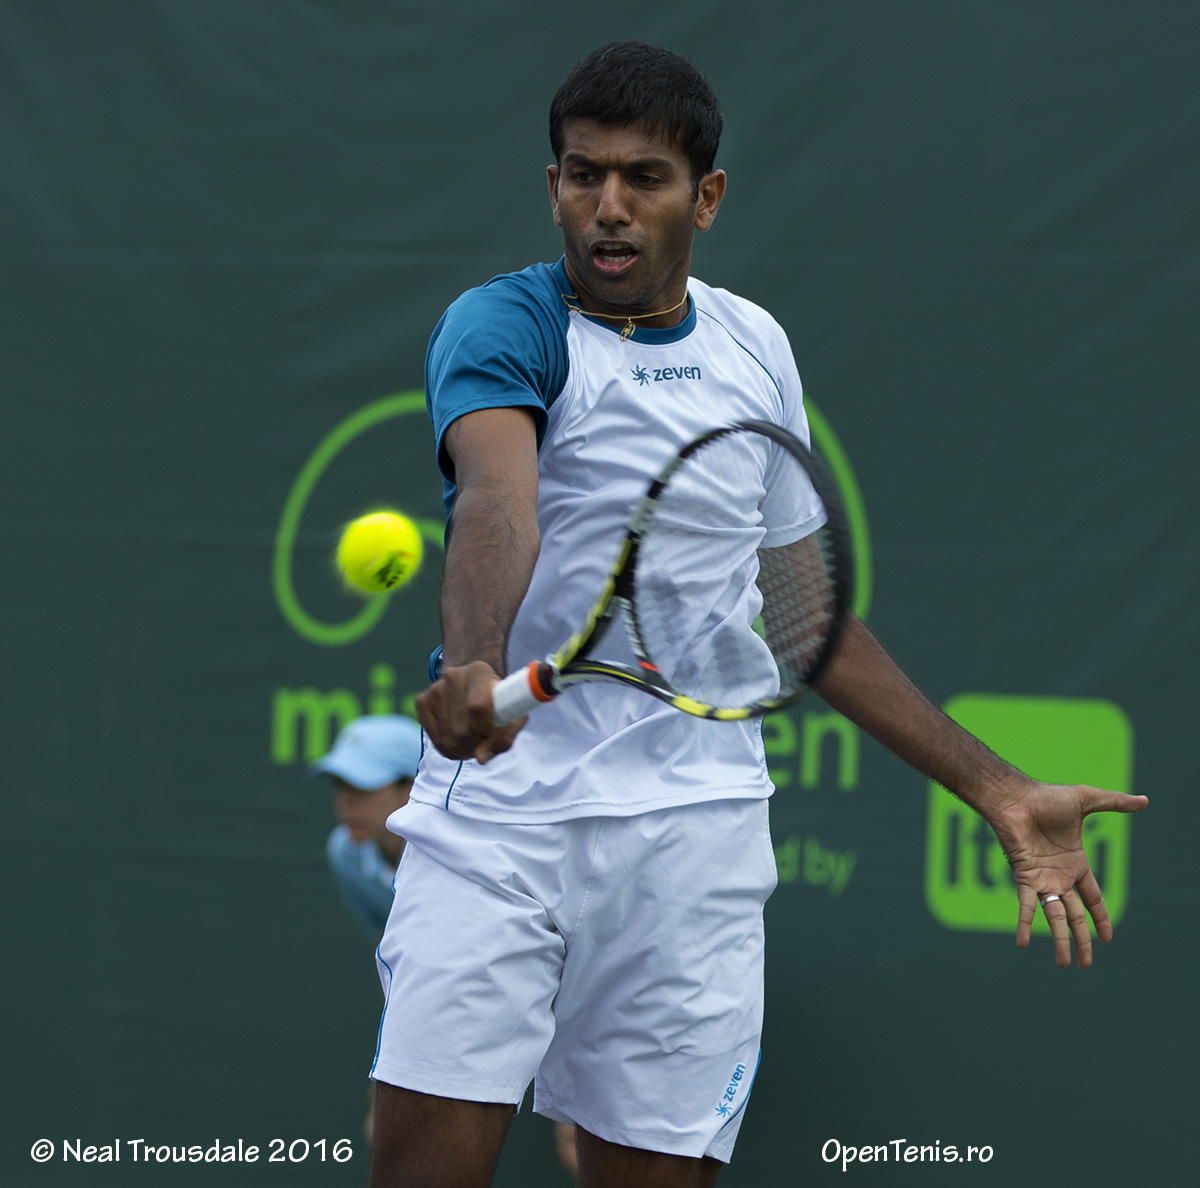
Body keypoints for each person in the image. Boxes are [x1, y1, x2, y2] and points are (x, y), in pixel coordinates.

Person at [366, 42, 1149, 1188]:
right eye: (583, 175)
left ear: (708, 197)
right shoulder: (503, 324)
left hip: (695, 837)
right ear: (553, 186)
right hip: (502, 829)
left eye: (645, 178)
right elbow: (498, 503)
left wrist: (999, 789)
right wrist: (477, 662)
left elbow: (802, 619)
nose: (609, 207)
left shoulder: (754, 347)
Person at [312, 714, 422, 943]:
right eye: (340, 784)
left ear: (410, 788)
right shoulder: (346, 853)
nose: (346, 802)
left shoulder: (450, 854)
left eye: (362, 785)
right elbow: (386, 943)